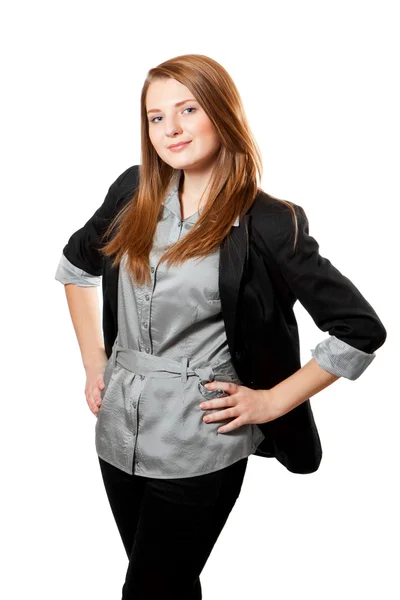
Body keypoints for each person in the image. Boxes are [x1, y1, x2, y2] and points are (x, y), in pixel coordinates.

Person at [54, 54, 387, 599]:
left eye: (188, 109)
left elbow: (359, 329)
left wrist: (270, 403)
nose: (172, 129)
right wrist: (95, 362)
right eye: (156, 117)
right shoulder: (131, 191)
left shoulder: (271, 221)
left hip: (201, 439)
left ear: (222, 112)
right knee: (172, 585)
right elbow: (74, 268)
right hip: (118, 433)